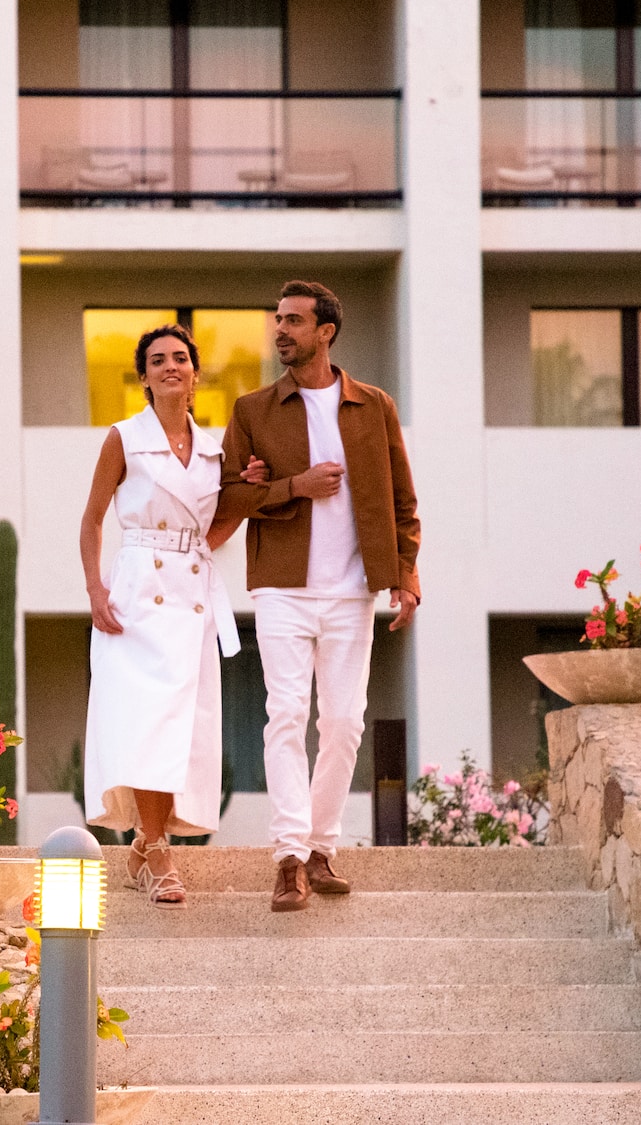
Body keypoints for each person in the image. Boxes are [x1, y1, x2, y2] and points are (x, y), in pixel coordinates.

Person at [219, 280, 421, 913]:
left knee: (343, 723)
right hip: (282, 585)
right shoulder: (253, 409)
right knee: (285, 715)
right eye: (277, 319)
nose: (281, 331)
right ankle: (287, 857)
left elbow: (402, 499)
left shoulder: (374, 405)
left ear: (325, 332)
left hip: (353, 590)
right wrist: (293, 486)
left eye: (294, 321)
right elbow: (225, 498)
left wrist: (406, 574)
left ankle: (320, 849)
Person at [79, 324, 251, 908]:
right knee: (147, 723)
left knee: (181, 729)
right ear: (144, 375)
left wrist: (244, 497)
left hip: (192, 594)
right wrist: (95, 588)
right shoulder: (123, 438)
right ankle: (158, 855)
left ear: (195, 372)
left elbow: (217, 527)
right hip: (135, 597)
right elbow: (93, 519)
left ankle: (147, 845)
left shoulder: (214, 450)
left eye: (180, 358)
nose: (170, 366)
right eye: (158, 360)